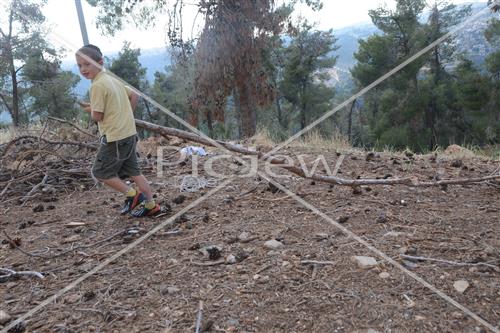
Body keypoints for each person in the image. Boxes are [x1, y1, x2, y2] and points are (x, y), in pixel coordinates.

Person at [75, 44, 160, 217]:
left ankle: (133, 195)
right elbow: (134, 95)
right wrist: (125, 115)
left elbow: (97, 116)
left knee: (100, 172)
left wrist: (90, 110)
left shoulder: (97, 85)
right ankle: (151, 205)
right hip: (129, 134)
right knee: (135, 172)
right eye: (80, 65)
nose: (83, 69)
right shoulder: (112, 79)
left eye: (87, 64)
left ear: (100, 62)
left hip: (115, 138)